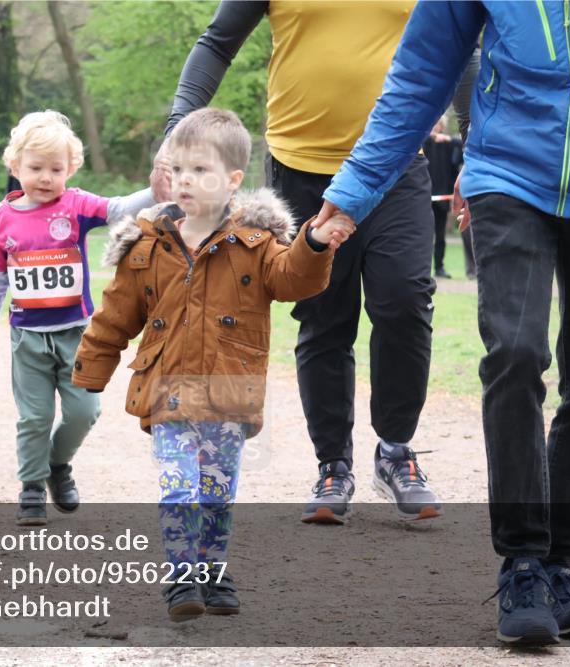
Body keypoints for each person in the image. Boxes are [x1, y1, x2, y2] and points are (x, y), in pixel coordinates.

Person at [312, 0, 570, 646]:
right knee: (515, 349)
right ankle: (524, 562)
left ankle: (562, 568)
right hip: (509, 179)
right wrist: (353, 191)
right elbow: (421, 75)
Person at [154, 1, 478, 524]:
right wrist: (177, 127)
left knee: (405, 299)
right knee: (323, 315)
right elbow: (217, 42)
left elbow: (463, 50)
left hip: (397, 164)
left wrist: (475, 141)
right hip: (300, 167)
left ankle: (395, 449)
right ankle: (333, 464)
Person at [73, 108, 353, 621]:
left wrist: (313, 243)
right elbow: (115, 316)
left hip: (230, 389)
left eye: (199, 171)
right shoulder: (147, 246)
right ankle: (183, 577)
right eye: (177, 169)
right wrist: (91, 371)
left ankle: (212, 568)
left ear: (232, 181)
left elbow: (294, 281)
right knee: (179, 484)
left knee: (217, 491)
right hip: (167, 388)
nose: (184, 180)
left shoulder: (256, 242)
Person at [0, 110, 156, 526]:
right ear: (15, 165)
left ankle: (57, 465)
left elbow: (119, 208)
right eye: (35, 168)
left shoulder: (74, 205)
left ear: (71, 168)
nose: (45, 177)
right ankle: (32, 488)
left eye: (55, 169)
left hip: (77, 335)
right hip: (29, 339)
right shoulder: (4, 216)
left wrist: (155, 188)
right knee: (34, 416)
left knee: (84, 411)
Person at [422, 115, 463, 279]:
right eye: (432, 125)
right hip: (423, 197)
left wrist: (447, 139)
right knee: (422, 235)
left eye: (438, 125)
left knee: (440, 235)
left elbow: (461, 145)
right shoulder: (423, 144)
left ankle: (439, 267)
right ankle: (423, 270)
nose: (435, 128)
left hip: (442, 197)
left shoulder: (448, 145)